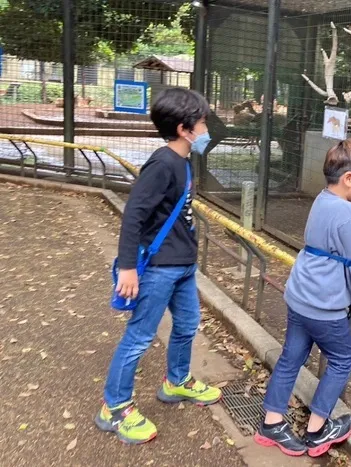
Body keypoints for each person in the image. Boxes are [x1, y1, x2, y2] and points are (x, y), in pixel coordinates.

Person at [95, 88, 221, 445]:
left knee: (187, 325)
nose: (206, 127)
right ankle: (114, 408)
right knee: (139, 337)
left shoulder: (181, 162)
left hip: (182, 265)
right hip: (159, 268)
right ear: (184, 129)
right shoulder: (163, 163)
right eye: (202, 122)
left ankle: (176, 382)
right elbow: (133, 215)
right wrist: (128, 267)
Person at [254, 139, 351, 458]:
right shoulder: (348, 214)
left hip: (299, 297)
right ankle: (317, 430)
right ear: (349, 178)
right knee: (343, 359)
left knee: (291, 357)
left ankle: (272, 423)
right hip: (324, 308)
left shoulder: (322, 199)